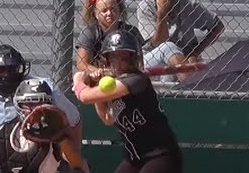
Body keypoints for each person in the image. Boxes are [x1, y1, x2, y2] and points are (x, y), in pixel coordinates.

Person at [0, 44, 88, 172]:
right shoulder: (1, 132)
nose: (6, 75)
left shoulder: (48, 91)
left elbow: (74, 123)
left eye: (12, 69)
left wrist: (65, 143)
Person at [73, 30, 182, 173]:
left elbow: (85, 97)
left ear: (133, 59)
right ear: (106, 60)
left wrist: (79, 81)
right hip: (135, 158)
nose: (118, 63)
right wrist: (95, 85)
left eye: (124, 57)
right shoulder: (117, 86)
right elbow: (108, 118)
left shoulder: (136, 80)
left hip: (161, 156)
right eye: (113, 57)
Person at [137, 0, 225, 81]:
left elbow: (218, 26)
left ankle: (189, 85)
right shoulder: (146, 7)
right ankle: (190, 85)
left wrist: (194, 53)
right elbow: (159, 41)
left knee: (186, 68)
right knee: (168, 47)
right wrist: (162, 14)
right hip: (155, 60)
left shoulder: (186, 3)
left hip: (184, 57)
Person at [76, 0, 145, 73]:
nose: (109, 13)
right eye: (104, 11)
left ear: (119, 10)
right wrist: (100, 72)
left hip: (127, 75)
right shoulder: (90, 32)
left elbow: (139, 62)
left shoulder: (131, 31)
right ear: (96, 14)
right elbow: (81, 64)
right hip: (99, 77)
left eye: (113, 9)